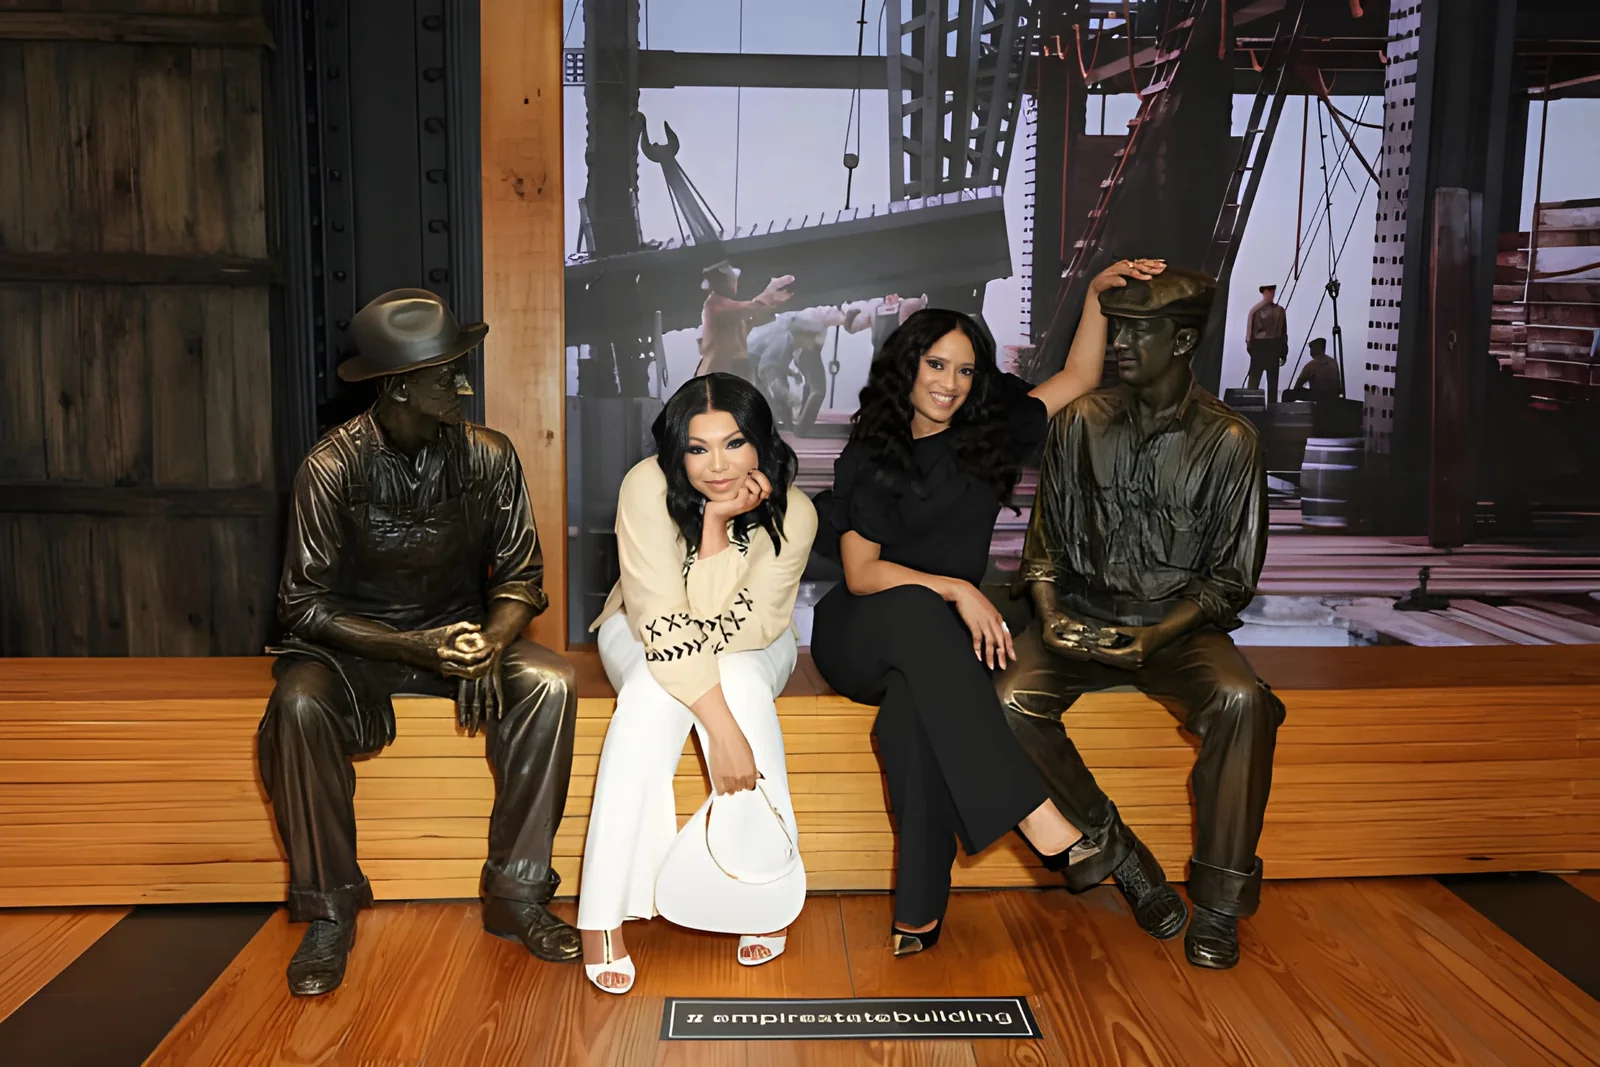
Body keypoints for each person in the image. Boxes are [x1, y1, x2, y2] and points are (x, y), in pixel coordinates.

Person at [810, 259, 1189, 956]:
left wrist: (1096, 295)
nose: (949, 383)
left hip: (935, 644)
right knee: (920, 610)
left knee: (912, 720)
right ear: (907, 367)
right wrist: (959, 588)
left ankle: (917, 912)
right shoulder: (872, 452)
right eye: (936, 364)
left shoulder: (990, 433)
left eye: (964, 370)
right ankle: (1038, 816)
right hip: (865, 629)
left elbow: (1078, 377)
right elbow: (862, 575)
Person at [259, 289, 579, 996]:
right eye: (446, 374)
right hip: (353, 647)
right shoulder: (330, 467)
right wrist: (412, 646)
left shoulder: (489, 455)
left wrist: (489, 641)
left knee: (551, 683)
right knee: (297, 706)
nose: (462, 385)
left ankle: (517, 892)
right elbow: (301, 606)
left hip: (461, 635)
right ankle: (329, 909)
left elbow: (522, 576)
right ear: (399, 386)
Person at [995, 267, 1285, 971]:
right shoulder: (1079, 424)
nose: (1119, 342)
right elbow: (1044, 551)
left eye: (1137, 330)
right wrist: (1050, 616)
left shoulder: (1230, 441)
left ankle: (1219, 903)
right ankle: (1117, 850)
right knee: (1008, 700)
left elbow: (1230, 580)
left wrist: (1157, 634)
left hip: (1179, 629)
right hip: (1082, 617)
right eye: (1117, 327)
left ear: (1182, 340)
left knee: (1243, 701)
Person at [578, 373, 818, 994]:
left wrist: (717, 532)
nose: (717, 466)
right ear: (676, 451)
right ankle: (603, 909)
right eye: (697, 448)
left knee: (740, 679)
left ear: (761, 442)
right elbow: (661, 620)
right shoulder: (646, 486)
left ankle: (760, 880)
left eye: (734, 443)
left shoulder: (797, 512)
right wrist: (724, 736)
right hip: (638, 624)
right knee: (649, 691)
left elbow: (744, 625)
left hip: (756, 639)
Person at [696, 260, 796, 378]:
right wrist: (769, 296)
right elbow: (747, 309)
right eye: (733, 280)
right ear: (723, 282)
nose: (736, 283)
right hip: (720, 369)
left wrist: (770, 308)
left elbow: (747, 321)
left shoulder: (728, 309)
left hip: (737, 366)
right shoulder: (714, 304)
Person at [1245, 283, 1288, 405]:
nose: (1271, 293)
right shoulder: (1255, 310)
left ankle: (1266, 407)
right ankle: (1252, 405)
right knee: (1256, 381)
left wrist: (1283, 352)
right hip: (1265, 347)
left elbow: (1283, 333)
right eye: (1269, 290)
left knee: (1267, 382)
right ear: (1264, 291)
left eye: (1272, 290)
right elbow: (1249, 336)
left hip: (1268, 347)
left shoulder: (1277, 310)